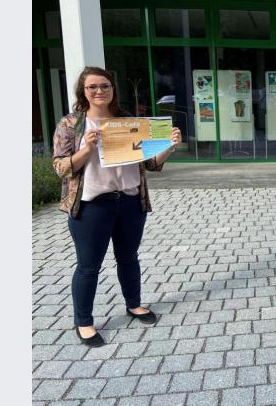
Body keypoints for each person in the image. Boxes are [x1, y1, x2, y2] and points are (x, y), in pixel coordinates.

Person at [52, 66, 182, 347]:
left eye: (105, 86)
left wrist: (169, 146)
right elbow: (61, 168)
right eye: (92, 87)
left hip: (130, 202)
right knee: (89, 267)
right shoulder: (71, 124)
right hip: (92, 206)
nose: (99, 91)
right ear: (83, 91)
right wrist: (86, 149)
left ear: (113, 89)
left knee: (128, 258)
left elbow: (150, 163)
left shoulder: (127, 121)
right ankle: (83, 321)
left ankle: (133, 305)